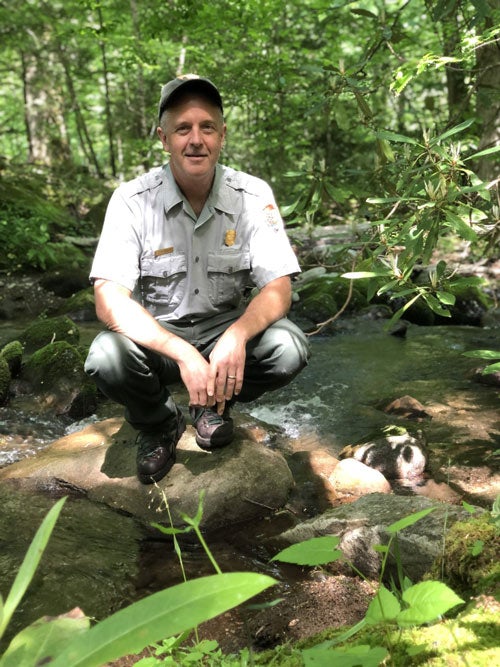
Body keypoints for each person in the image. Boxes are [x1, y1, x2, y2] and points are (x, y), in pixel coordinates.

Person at [84, 74, 310, 484]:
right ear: (163, 138)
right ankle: (158, 422)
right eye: (182, 129)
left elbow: (279, 287)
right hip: (159, 340)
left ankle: (213, 406)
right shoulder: (131, 201)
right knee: (105, 357)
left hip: (223, 331)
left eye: (207, 127)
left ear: (222, 135)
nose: (196, 140)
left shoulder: (252, 196)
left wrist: (237, 337)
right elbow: (108, 298)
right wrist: (185, 354)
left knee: (288, 348)